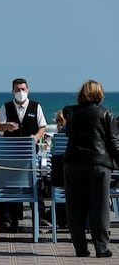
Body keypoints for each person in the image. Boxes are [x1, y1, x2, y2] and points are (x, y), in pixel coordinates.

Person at [62, 80, 119, 258]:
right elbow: (113, 143)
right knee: (99, 207)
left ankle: (80, 247)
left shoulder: (71, 113)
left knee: (75, 207)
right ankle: (101, 248)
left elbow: (68, 133)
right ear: (99, 94)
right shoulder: (106, 114)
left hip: (73, 163)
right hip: (99, 164)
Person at [0, 78, 47, 232]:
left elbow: (42, 126)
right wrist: (7, 126)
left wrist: (35, 139)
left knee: (36, 183)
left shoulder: (36, 106)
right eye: (17, 90)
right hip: (11, 154)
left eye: (23, 89)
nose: (20, 92)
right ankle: (10, 219)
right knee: (10, 185)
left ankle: (41, 218)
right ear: (13, 91)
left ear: (28, 90)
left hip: (31, 154)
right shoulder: (6, 106)